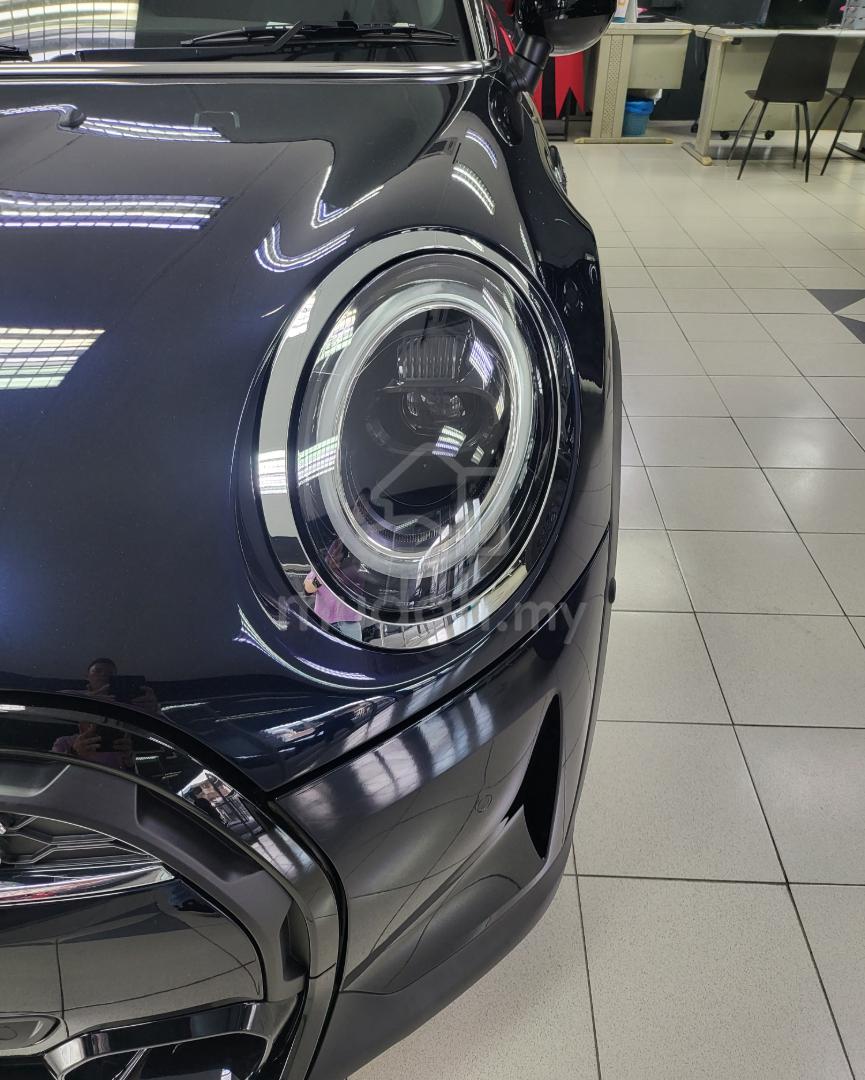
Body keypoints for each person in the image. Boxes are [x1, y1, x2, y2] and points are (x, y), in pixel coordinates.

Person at [304, 542, 364, 642]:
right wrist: (325, 574)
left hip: (349, 622)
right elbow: (308, 589)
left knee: (351, 652)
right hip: (325, 622)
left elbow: (362, 591)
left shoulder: (354, 570)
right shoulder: (320, 568)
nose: (336, 555)